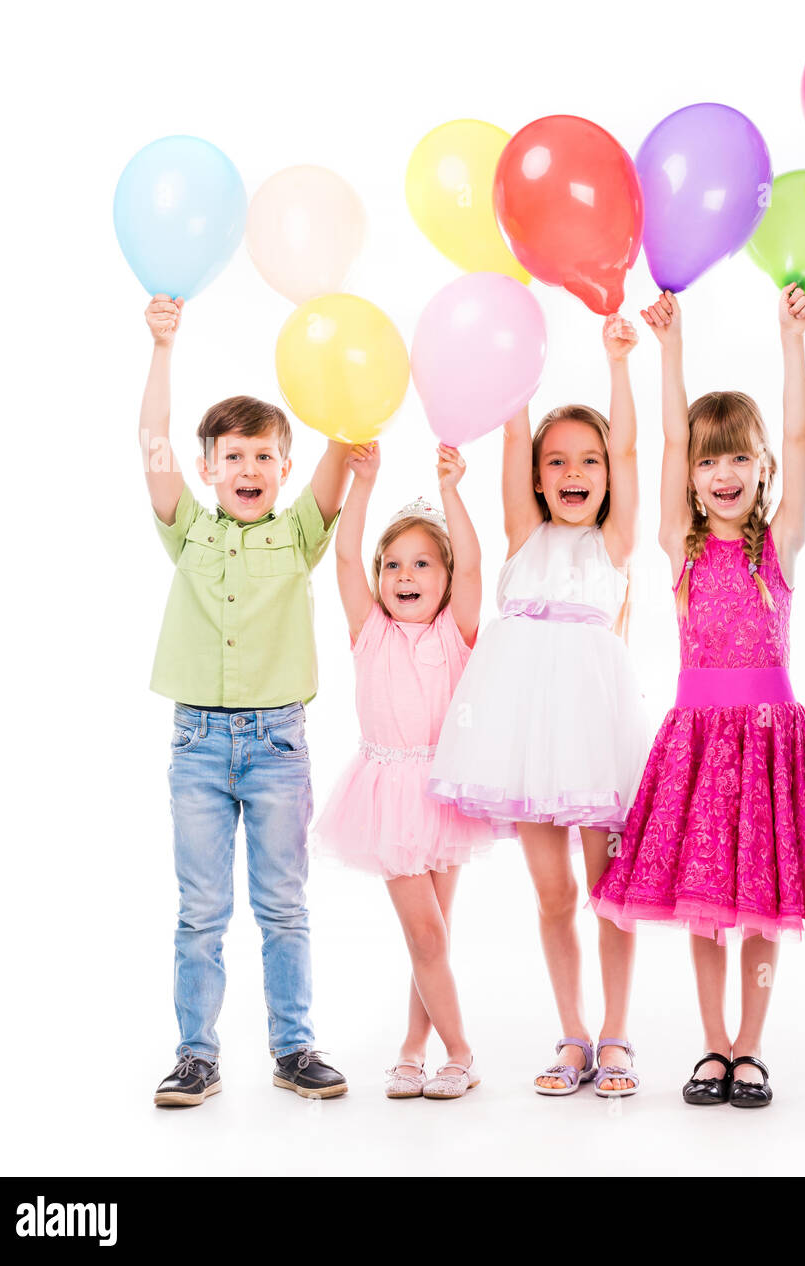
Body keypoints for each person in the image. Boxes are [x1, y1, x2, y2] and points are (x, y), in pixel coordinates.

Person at [591, 286, 805, 1109]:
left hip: (769, 744)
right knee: (703, 905)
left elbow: (800, 435)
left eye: (738, 458)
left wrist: (791, 340)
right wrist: (671, 348)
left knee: (763, 906)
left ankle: (751, 1048)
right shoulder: (681, 547)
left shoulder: (782, 544)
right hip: (700, 744)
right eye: (708, 462)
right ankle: (712, 1046)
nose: (722, 473)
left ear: (761, 467)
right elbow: (669, 438)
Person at [427, 316, 650, 1097]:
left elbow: (630, 449)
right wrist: (515, 358)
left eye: (588, 461)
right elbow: (515, 433)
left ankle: (616, 1037)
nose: (573, 472)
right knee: (554, 895)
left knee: (609, 894)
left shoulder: (614, 545)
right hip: (524, 742)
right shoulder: (524, 537)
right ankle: (573, 1036)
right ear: (536, 478)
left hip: (594, 736)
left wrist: (618, 363)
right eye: (556, 462)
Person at [141, 294, 351, 1107]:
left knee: (283, 907)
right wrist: (164, 347)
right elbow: (151, 441)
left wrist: (343, 376)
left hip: (277, 746)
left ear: (284, 469)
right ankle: (196, 1055)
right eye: (233, 455)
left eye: (265, 455)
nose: (249, 468)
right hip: (196, 745)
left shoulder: (298, 534)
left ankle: (294, 1048)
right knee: (200, 911)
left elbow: (342, 447)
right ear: (209, 469)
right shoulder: (187, 530)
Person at [313, 441, 492, 1100]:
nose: (404, 575)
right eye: (392, 564)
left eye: (421, 563)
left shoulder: (454, 631)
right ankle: (461, 1051)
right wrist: (363, 483)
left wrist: (451, 491)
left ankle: (416, 1048)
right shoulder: (371, 630)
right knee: (426, 933)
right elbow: (343, 557)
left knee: (432, 936)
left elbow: (474, 564)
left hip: (444, 790)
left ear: (444, 576)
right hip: (388, 795)